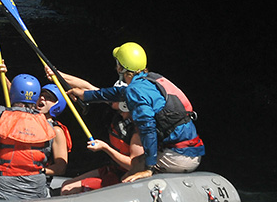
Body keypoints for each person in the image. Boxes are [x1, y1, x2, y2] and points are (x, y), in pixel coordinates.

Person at [67, 42, 204, 182]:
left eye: (117, 63)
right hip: (192, 152)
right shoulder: (151, 79)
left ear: (121, 68)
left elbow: (148, 129)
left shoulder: (135, 91)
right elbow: (119, 93)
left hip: (179, 156)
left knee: (128, 177)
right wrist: (85, 95)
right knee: (136, 166)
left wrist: (149, 168)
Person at [56, 75, 144, 195]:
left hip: (126, 176)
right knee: (65, 185)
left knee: (68, 190)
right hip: (113, 169)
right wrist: (57, 74)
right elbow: (88, 87)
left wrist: (105, 148)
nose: (112, 103)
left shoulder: (137, 131)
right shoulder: (118, 107)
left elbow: (133, 166)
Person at [37, 83, 72, 180]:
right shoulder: (29, 121)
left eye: (48, 97)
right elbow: (18, 92)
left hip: (40, 182)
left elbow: (60, 168)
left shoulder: (56, 131)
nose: (42, 98)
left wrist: (38, 171)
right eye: (40, 95)